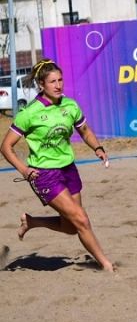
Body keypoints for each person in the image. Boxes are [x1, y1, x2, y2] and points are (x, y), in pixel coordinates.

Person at [1, 59, 114, 272]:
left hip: (68, 168)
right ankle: (106, 264)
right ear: (41, 85)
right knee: (81, 219)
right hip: (44, 175)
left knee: (71, 227)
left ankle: (32, 222)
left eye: (60, 80)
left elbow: (85, 131)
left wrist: (97, 148)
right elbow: (6, 146)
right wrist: (23, 170)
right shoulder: (29, 113)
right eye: (52, 81)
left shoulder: (69, 105)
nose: (58, 85)